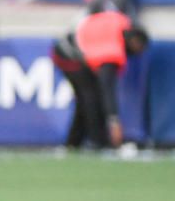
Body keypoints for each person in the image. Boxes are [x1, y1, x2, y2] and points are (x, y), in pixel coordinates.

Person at [51, 9, 149, 149]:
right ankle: (97, 141)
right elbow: (107, 89)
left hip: (72, 47)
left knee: (86, 98)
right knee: (91, 97)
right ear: (134, 41)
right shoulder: (112, 51)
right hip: (68, 55)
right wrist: (114, 120)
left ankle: (74, 142)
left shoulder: (121, 22)